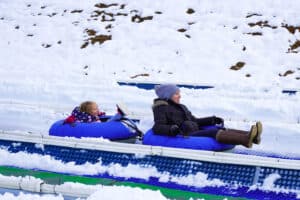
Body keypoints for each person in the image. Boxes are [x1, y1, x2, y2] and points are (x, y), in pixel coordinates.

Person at [152, 84, 263, 148]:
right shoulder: (161, 108)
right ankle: (245, 139)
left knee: (218, 128)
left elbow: (194, 120)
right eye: (176, 94)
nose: (179, 96)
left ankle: (252, 137)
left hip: (194, 129)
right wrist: (172, 129)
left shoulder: (181, 106)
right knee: (212, 132)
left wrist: (212, 120)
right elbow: (158, 127)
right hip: (185, 134)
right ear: (168, 95)